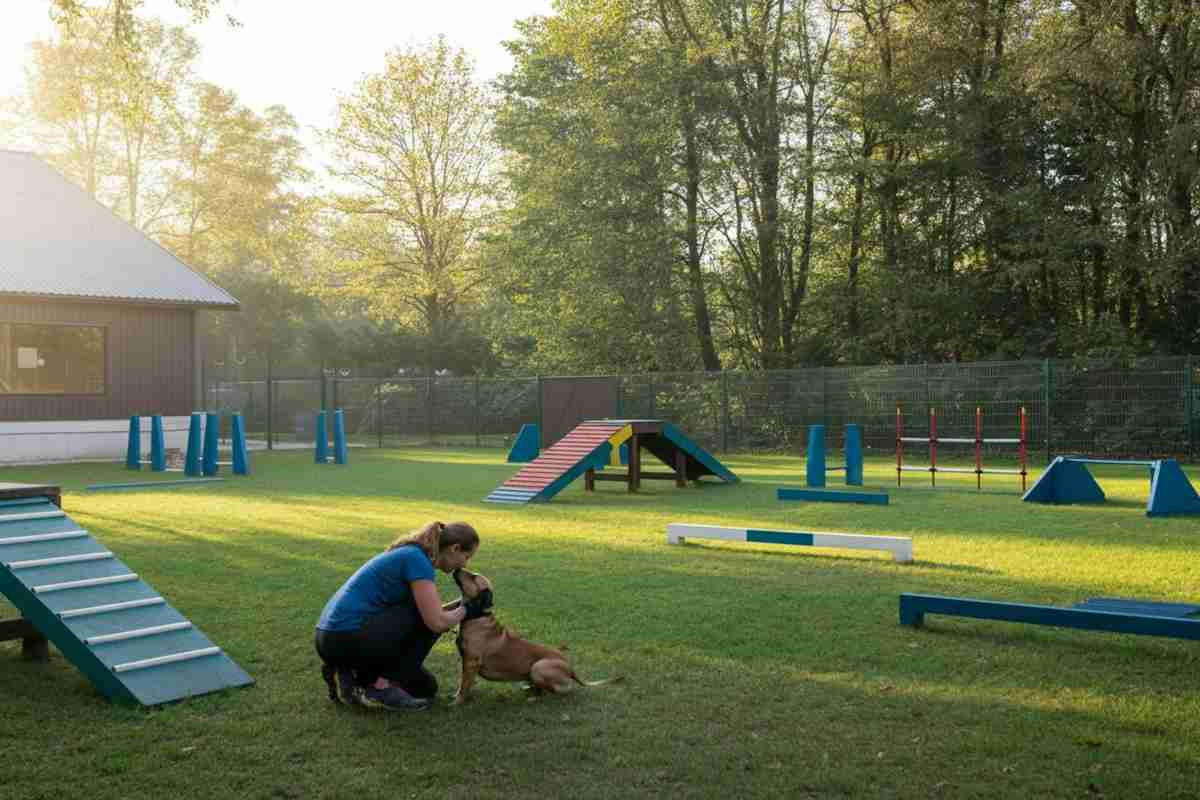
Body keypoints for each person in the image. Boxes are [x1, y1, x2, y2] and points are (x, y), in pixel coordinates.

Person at [314, 520, 485, 711]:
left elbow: (431, 613)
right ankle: (381, 687)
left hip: (330, 637)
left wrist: (462, 605)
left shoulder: (411, 553)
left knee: (426, 688)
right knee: (430, 620)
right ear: (455, 548)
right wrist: (468, 609)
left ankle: (350, 675)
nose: (465, 564)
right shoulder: (417, 560)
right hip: (347, 637)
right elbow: (436, 622)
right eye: (467, 557)